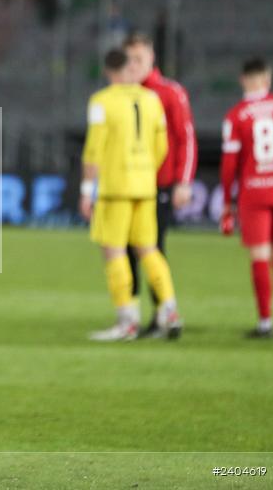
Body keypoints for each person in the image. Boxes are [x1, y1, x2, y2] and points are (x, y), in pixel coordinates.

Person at [79, 49, 183, 342]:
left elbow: (94, 149)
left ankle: (127, 321)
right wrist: (145, 170)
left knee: (114, 251)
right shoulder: (151, 99)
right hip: (145, 186)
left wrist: (87, 190)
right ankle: (169, 311)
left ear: (108, 71)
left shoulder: (102, 101)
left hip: (116, 188)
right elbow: (162, 146)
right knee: (148, 249)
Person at [123, 33, 196, 336]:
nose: (134, 65)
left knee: (152, 247)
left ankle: (162, 313)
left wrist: (183, 182)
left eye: (139, 58)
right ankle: (131, 315)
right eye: (129, 59)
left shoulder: (168, 92)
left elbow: (185, 137)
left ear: (152, 58)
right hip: (127, 185)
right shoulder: (121, 94)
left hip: (159, 185)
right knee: (126, 249)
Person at [220, 58, 273, 338]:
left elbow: (229, 164)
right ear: (267, 79)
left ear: (243, 80)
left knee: (260, 256)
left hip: (254, 192)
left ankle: (265, 323)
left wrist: (227, 200)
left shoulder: (236, 115)